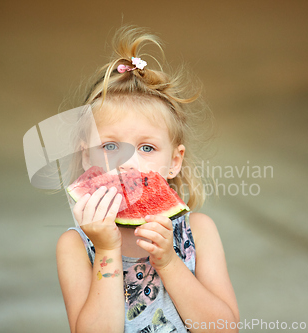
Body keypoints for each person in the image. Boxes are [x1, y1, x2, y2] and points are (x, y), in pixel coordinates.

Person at [56, 26, 239, 333]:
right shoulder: (75, 246)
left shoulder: (198, 232)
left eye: (147, 147)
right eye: (110, 146)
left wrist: (168, 261)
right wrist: (106, 250)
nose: (128, 163)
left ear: (174, 161)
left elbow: (224, 329)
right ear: (86, 156)